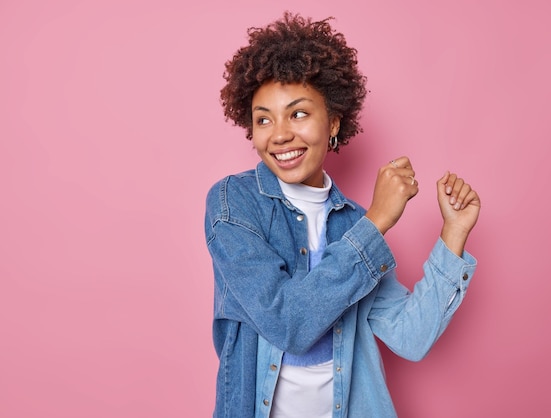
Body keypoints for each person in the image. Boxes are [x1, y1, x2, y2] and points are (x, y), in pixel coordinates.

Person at [204, 12, 480, 418]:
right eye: (263, 119)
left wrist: (453, 235)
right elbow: (287, 323)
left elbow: (410, 337)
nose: (279, 134)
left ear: (333, 122)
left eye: (298, 113)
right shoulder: (233, 203)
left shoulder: (352, 225)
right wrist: (377, 222)